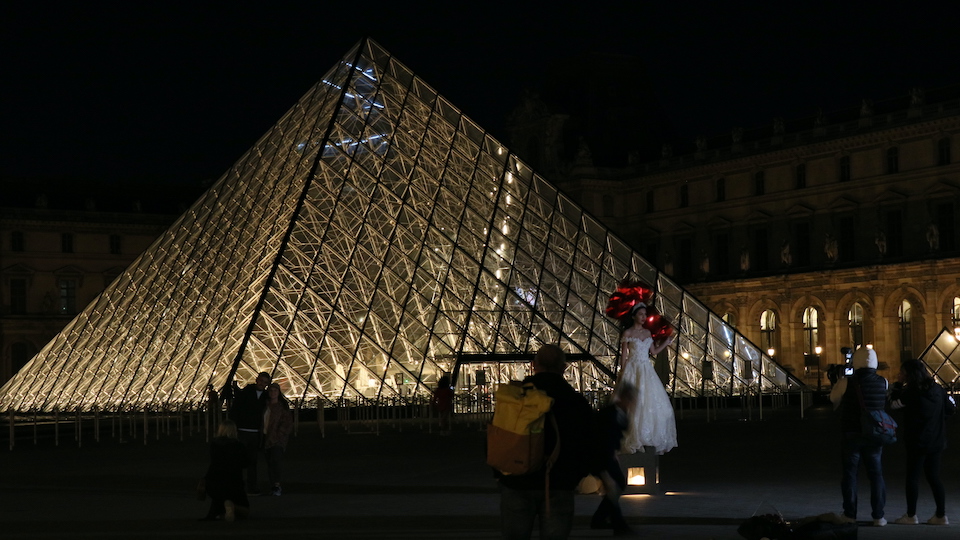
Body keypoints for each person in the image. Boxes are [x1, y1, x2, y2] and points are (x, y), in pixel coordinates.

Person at [497, 344, 595, 540]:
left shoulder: (515, 397)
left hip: (516, 480)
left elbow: (496, 436)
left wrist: (501, 474)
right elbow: (590, 442)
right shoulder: (575, 402)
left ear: (534, 365)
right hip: (559, 482)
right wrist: (576, 476)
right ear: (564, 368)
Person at [889, 359, 957, 525]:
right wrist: (938, 419)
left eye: (903, 372)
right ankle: (941, 515)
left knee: (912, 478)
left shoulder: (910, 392)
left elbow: (893, 405)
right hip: (936, 440)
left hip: (916, 440)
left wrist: (897, 385)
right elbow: (951, 408)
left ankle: (911, 515)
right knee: (934, 477)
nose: (901, 375)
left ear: (909, 375)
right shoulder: (938, 390)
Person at [829, 347, 889, 526]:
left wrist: (838, 380)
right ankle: (878, 516)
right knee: (876, 474)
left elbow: (833, 398)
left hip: (852, 432)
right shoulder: (883, 381)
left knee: (850, 475)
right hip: (874, 434)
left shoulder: (848, 382)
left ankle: (850, 514)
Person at [616, 302, 677, 455]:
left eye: (645, 315)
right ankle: (634, 437)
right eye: (641, 314)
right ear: (634, 315)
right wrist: (622, 372)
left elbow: (654, 351)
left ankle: (645, 436)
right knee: (634, 405)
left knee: (649, 403)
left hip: (646, 369)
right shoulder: (628, 333)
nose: (644, 317)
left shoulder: (648, 333)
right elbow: (623, 355)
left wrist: (666, 343)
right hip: (633, 368)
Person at [590, 383, 637, 536]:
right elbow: (603, 439)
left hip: (606, 455)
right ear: (625, 398)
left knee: (617, 485)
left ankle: (600, 519)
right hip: (601, 456)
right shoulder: (610, 414)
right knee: (614, 487)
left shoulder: (618, 412)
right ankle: (618, 524)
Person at [230, 371, 271, 495]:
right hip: (242, 431)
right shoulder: (245, 393)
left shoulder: (266, 396)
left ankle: (251, 487)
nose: (262, 384)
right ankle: (237, 486)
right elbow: (235, 410)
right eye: (261, 381)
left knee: (252, 462)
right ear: (256, 380)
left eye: (265, 382)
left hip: (255, 433)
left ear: (267, 384)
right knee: (239, 461)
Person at [201, 419, 249, 522]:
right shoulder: (239, 446)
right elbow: (245, 463)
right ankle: (232, 507)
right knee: (245, 511)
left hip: (215, 480)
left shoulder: (215, 445)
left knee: (218, 501)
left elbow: (214, 462)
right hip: (234, 482)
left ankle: (222, 511)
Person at [263, 382, 293, 496]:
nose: (273, 393)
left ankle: (276, 485)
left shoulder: (282, 406)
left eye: (275, 391)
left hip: (277, 439)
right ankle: (273, 485)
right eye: (271, 391)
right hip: (266, 437)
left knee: (275, 462)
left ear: (279, 393)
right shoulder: (265, 405)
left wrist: (279, 435)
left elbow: (287, 423)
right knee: (270, 463)